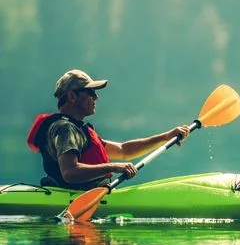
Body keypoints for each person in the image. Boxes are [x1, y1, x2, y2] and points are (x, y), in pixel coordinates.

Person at [27, 69, 190, 190]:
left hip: (91, 194)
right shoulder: (65, 129)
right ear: (72, 96)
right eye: (90, 92)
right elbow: (70, 172)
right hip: (76, 196)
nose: (96, 97)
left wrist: (166, 137)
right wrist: (113, 167)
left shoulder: (77, 129)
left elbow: (124, 150)